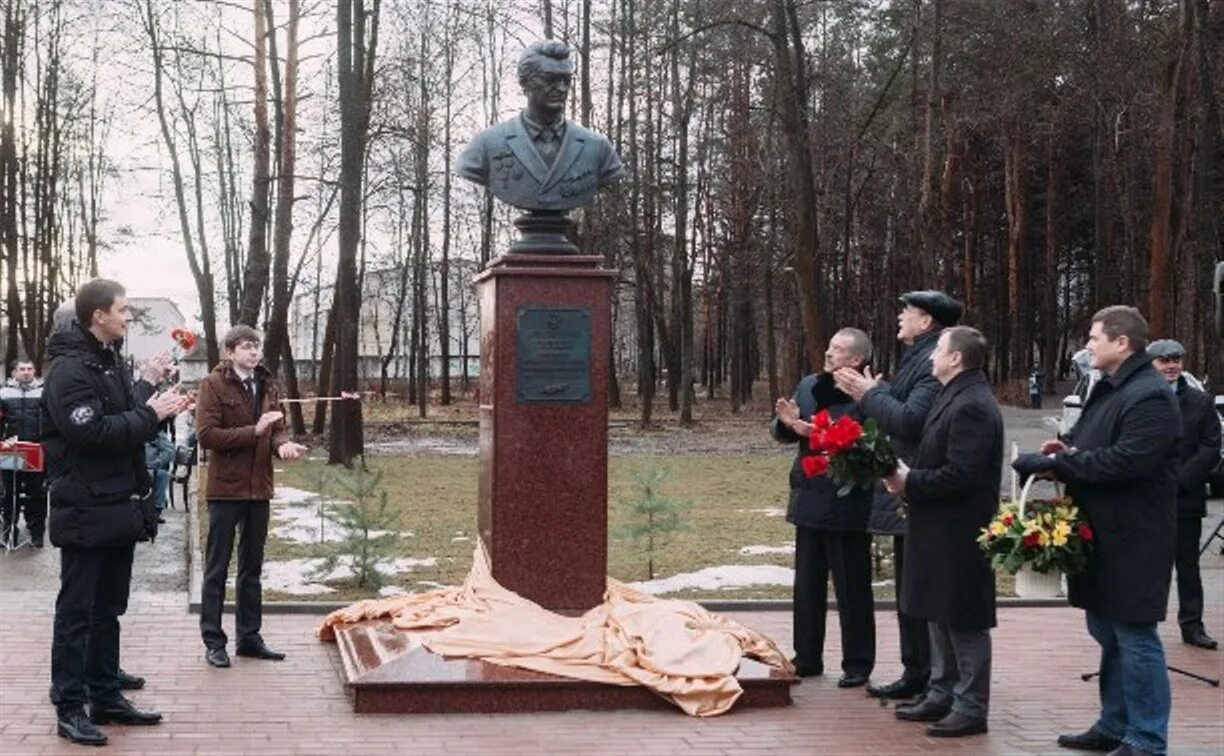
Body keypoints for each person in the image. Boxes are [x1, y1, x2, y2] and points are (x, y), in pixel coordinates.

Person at [1014, 306, 1180, 756]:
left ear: (1122, 342)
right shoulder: (1111, 387)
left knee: (1134, 636)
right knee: (1108, 631)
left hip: (1135, 535)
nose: (1087, 345)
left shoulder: (1148, 394)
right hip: (1104, 531)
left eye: (1093, 337)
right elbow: (1104, 448)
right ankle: (1114, 724)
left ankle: (1146, 739)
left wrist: (1056, 464)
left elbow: (1130, 460)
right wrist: (1069, 451)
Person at [42, 279, 190, 746]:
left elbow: (124, 415)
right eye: (122, 310)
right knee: (77, 613)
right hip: (85, 507)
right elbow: (93, 433)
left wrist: (149, 388)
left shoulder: (107, 363)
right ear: (96, 316)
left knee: (108, 608)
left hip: (117, 506)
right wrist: (151, 414)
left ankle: (105, 696)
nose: (129, 317)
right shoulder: (68, 371)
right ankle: (70, 706)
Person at [834, 289, 963, 701]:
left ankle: (927, 673)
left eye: (907, 311)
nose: (899, 317)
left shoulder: (929, 364)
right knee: (911, 583)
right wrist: (875, 393)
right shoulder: (918, 358)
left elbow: (910, 421)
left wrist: (868, 394)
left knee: (920, 586)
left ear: (926, 322)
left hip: (918, 483)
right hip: (905, 483)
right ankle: (918, 670)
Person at [883, 326, 1001, 738]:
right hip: (938, 525)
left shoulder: (972, 405)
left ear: (956, 359)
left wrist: (909, 481)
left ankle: (970, 706)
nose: (931, 356)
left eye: (939, 350)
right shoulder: (953, 394)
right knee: (938, 609)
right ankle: (942, 692)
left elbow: (962, 474)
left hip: (960, 528)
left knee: (962, 616)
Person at [196, 325, 307, 669]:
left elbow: (276, 427)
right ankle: (214, 641)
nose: (254, 352)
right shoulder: (212, 385)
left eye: (256, 346)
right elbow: (207, 436)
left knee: (251, 569)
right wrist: (253, 431)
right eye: (246, 347)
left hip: (259, 488)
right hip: (225, 490)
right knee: (217, 569)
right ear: (229, 352)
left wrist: (282, 443)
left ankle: (249, 638)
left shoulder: (266, 383)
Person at [772, 328, 876, 687]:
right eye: (829, 346)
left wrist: (812, 432)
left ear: (857, 360)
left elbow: (867, 441)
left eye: (839, 349)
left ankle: (858, 663)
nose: (829, 353)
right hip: (810, 495)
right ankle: (807, 656)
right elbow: (787, 428)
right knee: (807, 584)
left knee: (852, 586)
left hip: (848, 500)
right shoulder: (810, 384)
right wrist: (786, 425)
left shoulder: (869, 394)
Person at [456, 40, 624, 212]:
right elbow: (468, 169)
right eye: (549, 79)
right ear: (525, 83)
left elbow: (610, 176)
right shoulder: (486, 145)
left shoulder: (598, 148)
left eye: (566, 80)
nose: (561, 88)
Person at [1148, 339, 1220, 651]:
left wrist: (1180, 480)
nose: (1172, 365)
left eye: (1176, 359)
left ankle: (1192, 625)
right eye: (1164, 360)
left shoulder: (1200, 402)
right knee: (1148, 565)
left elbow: (1210, 448)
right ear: (1151, 364)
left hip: (1185, 498)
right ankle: (1143, 625)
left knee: (1188, 566)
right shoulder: (1142, 400)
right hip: (1146, 500)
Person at [1, 359, 46, 547]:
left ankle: (36, 533)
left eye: (29, 369)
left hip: (36, 449)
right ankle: (8, 532)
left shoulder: (44, 393)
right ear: (14, 373)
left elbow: (51, 420)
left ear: (34, 371)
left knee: (37, 493)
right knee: (9, 493)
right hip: (10, 450)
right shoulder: (3, 393)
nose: (26, 372)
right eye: (22, 369)